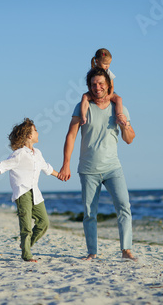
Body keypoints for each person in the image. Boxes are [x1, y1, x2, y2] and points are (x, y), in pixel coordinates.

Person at [58, 67, 137, 261]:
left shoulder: (119, 108)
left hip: (113, 168)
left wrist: (124, 124)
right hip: (88, 169)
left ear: (108, 85)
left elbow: (129, 139)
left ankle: (126, 250)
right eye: (93, 84)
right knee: (89, 213)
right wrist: (65, 164)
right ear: (89, 87)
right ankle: (92, 252)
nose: (97, 87)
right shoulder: (82, 107)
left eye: (101, 83)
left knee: (124, 207)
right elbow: (71, 135)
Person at [0, 118, 62, 262]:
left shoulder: (38, 153)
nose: (38, 133)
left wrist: (59, 175)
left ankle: (26, 244)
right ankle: (27, 255)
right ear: (29, 135)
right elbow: (3, 165)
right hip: (23, 192)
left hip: (36, 193)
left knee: (44, 222)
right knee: (26, 225)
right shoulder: (19, 154)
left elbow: (46, 167)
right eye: (36, 130)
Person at [80, 48, 127, 127]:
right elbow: (89, 85)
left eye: (108, 64)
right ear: (97, 61)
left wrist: (109, 95)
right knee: (85, 97)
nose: (107, 66)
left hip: (107, 92)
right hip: (94, 92)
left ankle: (119, 115)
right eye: (105, 64)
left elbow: (112, 86)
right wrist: (92, 95)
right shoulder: (92, 72)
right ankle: (83, 116)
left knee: (119, 99)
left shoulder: (108, 72)